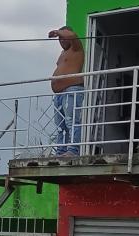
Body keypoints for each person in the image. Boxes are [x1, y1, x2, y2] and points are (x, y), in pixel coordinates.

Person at [50, 26, 86, 155]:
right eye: (59, 39)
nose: (61, 40)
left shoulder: (76, 48)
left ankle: (73, 151)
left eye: (63, 37)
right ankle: (61, 151)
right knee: (61, 125)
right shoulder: (62, 53)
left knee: (71, 121)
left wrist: (57, 32)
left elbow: (73, 35)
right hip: (59, 93)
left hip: (72, 90)